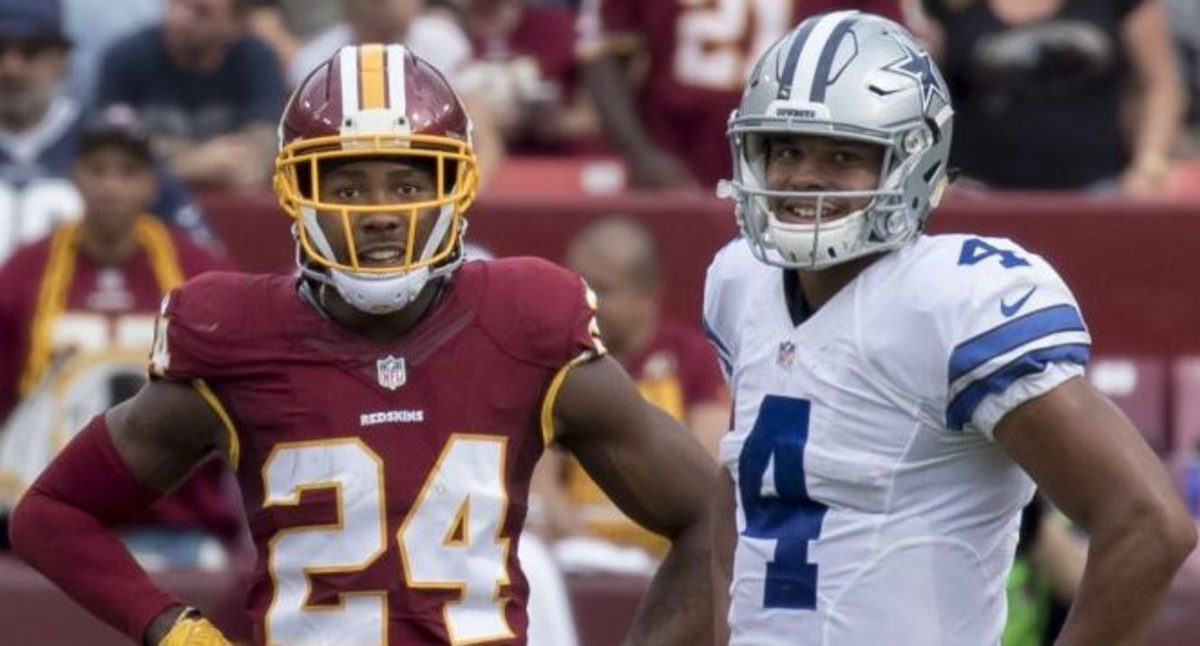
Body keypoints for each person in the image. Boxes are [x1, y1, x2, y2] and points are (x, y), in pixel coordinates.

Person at [8, 43, 714, 646]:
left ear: (453, 188)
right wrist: (173, 628)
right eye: (347, 187)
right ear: (299, 194)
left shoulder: (527, 317)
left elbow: (709, 511)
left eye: (406, 182)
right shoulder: (235, 333)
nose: (380, 213)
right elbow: (50, 515)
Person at [706, 11, 1196, 644]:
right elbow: (738, 491)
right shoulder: (740, 282)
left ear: (912, 164)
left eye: (843, 154)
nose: (804, 176)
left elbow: (1151, 524)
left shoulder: (952, 301)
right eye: (787, 148)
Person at [0, 107, 240, 563]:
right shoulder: (23, 274)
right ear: (74, 177)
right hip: (51, 514)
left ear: (152, 183)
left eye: (127, 172)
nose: (111, 186)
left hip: (174, 520)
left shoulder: (199, 272)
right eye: (98, 170)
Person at [535, 217, 729, 556]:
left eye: (601, 289)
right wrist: (602, 553)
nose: (584, 302)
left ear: (648, 294)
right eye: (576, 286)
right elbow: (543, 491)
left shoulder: (694, 359)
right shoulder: (558, 362)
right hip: (577, 553)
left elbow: (712, 476)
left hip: (674, 553)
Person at [575, 0, 903, 189]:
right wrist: (639, 153)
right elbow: (602, 52)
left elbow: (893, 54)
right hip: (678, 160)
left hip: (802, 154)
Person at [0, 0, 213, 262]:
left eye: (30, 51)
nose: (11, 68)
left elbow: (202, 255)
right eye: (0, 50)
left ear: (62, 60)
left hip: (81, 301)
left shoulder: (113, 143)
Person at [917, 0, 1185, 195]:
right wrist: (932, 177)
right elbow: (923, 95)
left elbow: (1159, 82)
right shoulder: (950, 8)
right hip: (978, 192)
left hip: (1098, 189)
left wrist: (1149, 165)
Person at [95, 0, 286, 189]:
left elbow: (264, 145)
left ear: (235, 24)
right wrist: (193, 164)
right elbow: (114, 149)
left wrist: (163, 157)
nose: (180, 18)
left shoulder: (256, 59)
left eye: (201, 12)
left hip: (234, 203)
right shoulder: (126, 57)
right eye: (176, 4)